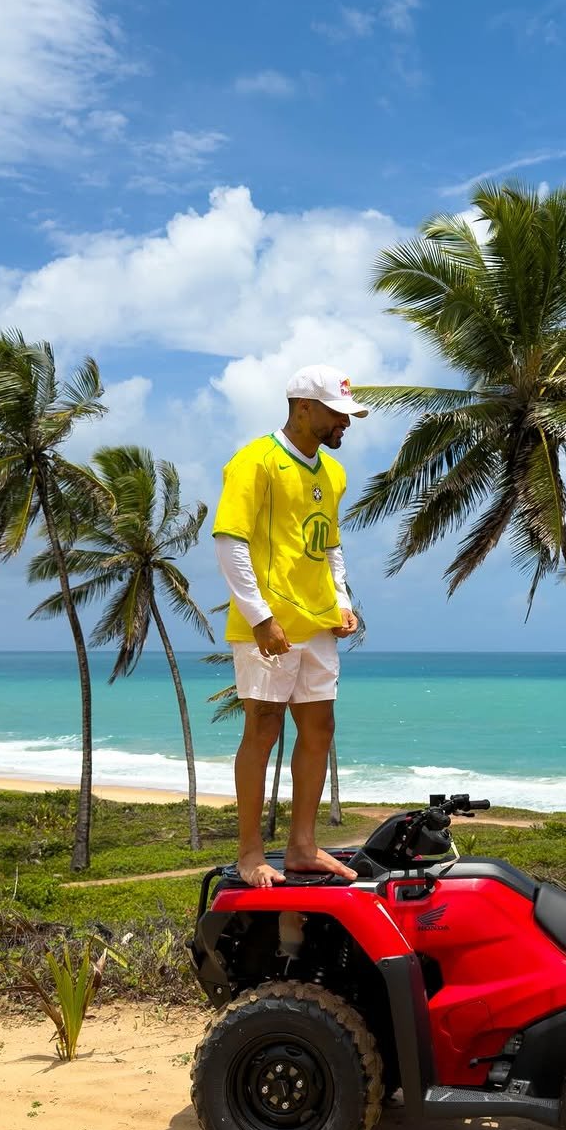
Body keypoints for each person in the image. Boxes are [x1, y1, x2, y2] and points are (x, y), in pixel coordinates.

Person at [212, 364, 369, 888]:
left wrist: (342, 601)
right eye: (336, 414)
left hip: (319, 622)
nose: (344, 425)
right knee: (262, 729)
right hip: (271, 624)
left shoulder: (333, 473)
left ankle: (302, 846)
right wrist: (259, 618)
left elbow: (330, 546)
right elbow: (229, 542)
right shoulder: (254, 462)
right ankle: (250, 852)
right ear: (304, 408)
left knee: (320, 728)